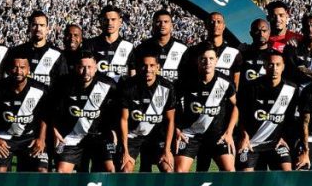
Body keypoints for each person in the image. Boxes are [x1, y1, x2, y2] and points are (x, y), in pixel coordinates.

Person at [47, 49, 118, 173]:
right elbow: (50, 110)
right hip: (72, 136)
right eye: (82, 67)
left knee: (110, 170)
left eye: (89, 67)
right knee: (61, 172)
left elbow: (116, 113)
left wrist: (113, 130)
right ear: (75, 67)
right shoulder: (64, 85)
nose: (86, 72)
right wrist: (54, 130)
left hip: (99, 137)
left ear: (96, 67)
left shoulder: (108, 85)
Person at [174, 42, 238, 173]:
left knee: (230, 170)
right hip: (190, 135)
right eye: (203, 59)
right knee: (179, 172)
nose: (207, 62)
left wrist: (229, 132)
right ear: (198, 60)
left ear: (217, 60)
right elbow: (172, 108)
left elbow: (237, 105)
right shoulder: (185, 81)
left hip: (217, 135)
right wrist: (177, 129)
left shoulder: (225, 82)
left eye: (211, 58)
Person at [236, 51, 298, 171]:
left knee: (287, 171)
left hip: (275, 143)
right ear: (264, 66)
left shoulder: (291, 89)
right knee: (245, 175)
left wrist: (284, 137)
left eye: (278, 65)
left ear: (283, 66)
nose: (274, 68)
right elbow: (241, 116)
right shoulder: (250, 88)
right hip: (252, 142)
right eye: (270, 64)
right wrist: (244, 136)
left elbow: (291, 118)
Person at [0, 56, 49, 172]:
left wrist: (41, 139)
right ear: (10, 69)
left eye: (22, 67)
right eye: (15, 67)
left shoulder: (40, 89)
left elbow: (44, 117)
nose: (18, 71)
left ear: (29, 69)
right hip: (5, 137)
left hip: (30, 138)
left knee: (42, 171)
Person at [118, 54, 176, 173]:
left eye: (152, 65)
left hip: (157, 136)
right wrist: (125, 151)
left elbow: (170, 120)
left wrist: (167, 150)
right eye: (144, 66)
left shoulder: (167, 87)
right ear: (139, 67)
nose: (148, 69)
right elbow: (123, 120)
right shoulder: (128, 86)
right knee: (125, 170)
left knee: (168, 169)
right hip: (133, 136)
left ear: (158, 67)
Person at [4, 11, 68, 87]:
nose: (38, 28)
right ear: (29, 27)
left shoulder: (57, 55)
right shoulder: (16, 51)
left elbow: (63, 84)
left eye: (42, 25)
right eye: (34, 25)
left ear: (47, 29)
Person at [131, 10, 188, 83]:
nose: (162, 25)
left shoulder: (182, 48)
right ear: (153, 25)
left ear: (172, 25)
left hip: (175, 92)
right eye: (158, 22)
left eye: (166, 22)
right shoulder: (142, 48)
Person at [237, 18, 296, 88]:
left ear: (269, 32)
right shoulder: (243, 51)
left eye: (264, 31)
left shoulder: (277, 52)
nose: (261, 34)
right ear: (251, 33)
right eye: (257, 31)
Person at [84, 4, 133, 82]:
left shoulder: (129, 47)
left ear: (120, 21)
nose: (109, 23)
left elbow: (133, 75)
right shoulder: (90, 44)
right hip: (97, 92)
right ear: (101, 21)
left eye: (113, 19)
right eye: (106, 20)